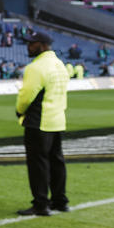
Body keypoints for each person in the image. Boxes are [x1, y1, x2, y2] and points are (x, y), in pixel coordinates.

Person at [15, 31, 70, 216]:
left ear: (42, 45)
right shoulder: (60, 65)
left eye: (32, 43)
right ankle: (60, 201)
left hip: (39, 122)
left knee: (38, 164)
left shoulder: (36, 67)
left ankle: (41, 204)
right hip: (57, 120)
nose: (28, 46)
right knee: (57, 162)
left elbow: (26, 95)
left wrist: (20, 111)